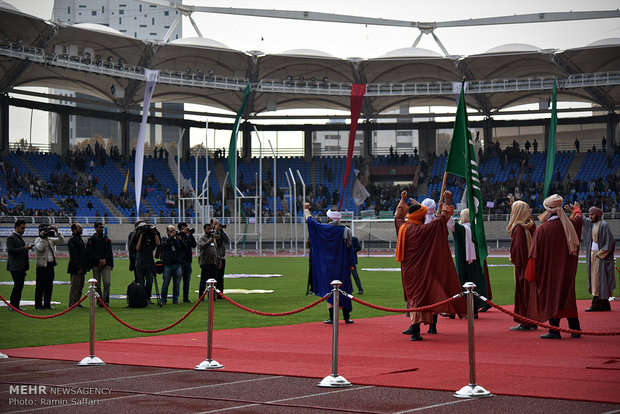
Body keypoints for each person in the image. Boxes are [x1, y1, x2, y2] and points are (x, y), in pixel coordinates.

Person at [395, 190, 466, 341]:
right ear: (420, 217)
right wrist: (447, 200)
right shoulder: (424, 230)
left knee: (414, 299)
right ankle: (415, 331)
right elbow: (442, 220)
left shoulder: (403, 228)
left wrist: (403, 201)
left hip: (407, 271)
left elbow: (398, 216)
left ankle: (416, 327)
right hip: (421, 271)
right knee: (420, 298)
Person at [525, 195, 582, 339]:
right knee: (568, 297)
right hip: (567, 273)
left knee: (552, 298)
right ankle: (575, 329)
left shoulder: (543, 229)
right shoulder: (571, 224)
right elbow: (578, 219)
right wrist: (576, 209)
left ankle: (554, 330)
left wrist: (531, 274)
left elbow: (533, 256)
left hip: (549, 274)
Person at [304, 204, 355, 324]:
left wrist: (307, 210)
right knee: (345, 288)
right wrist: (352, 264)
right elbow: (350, 250)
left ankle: (332, 318)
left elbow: (311, 222)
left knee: (330, 289)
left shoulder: (324, 229)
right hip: (342, 266)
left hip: (328, 267)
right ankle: (346, 317)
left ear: (329, 219)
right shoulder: (346, 231)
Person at [452, 208, 489, 319]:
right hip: (477, 261)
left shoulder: (462, 229)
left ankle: (466, 310)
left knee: (465, 283)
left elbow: (450, 223)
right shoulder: (476, 228)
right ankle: (475, 309)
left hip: (465, 262)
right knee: (476, 283)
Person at [506, 199, 537, 330]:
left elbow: (517, 253)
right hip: (531, 263)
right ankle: (532, 320)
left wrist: (512, 257)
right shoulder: (530, 224)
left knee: (522, 293)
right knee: (530, 293)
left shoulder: (518, 228)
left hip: (522, 266)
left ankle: (525, 321)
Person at [582, 206, 615, 311]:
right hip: (593, 255)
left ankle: (597, 303)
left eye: (592, 214)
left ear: (598, 214)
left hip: (599, 256)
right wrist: (575, 211)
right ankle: (604, 304)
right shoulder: (593, 224)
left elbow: (610, 242)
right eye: (589, 214)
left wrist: (600, 254)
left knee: (598, 280)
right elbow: (584, 220)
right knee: (596, 279)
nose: (590, 216)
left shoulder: (603, 225)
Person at [33, 224, 64, 310]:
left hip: (50, 265)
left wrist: (57, 231)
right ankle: (38, 305)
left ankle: (47, 304)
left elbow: (61, 240)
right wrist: (43, 238)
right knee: (40, 286)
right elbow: (39, 248)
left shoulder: (50, 240)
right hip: (42, 266)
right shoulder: (37, 240)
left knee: (49, 286)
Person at [129, 221, 160, 304]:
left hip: (149, 261)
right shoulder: (136, 236)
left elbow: (158, 243)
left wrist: (155, 233)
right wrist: (141, 235)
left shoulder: (151, 235)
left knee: (150, 281)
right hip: (140, 261)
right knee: (141, 281)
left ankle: (148, 298)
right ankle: (142, 299)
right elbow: (137, 248)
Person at [6, 219, 32, 311]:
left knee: (19, 286)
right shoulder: (11, 237)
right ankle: (12, 305)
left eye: (24, 228)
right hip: (15, 266)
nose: (23, 230)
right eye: (22, 228)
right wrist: (24, 249)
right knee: (17, 286)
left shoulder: (18, 237)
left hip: (20, 266)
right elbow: (11, 250)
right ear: (16, 227)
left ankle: (15, 305)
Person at [87, 222, 113, 307]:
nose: (101, 229)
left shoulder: (107, 239)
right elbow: (90, 252)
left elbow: (109, 252)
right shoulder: (91, 240)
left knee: (107, 283)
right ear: (95, 228)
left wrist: (105, 260)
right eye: (99, 227)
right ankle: (99, 301)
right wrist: (99, 260)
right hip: (96, 264)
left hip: (106, 264)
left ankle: (105, 301)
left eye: (102, 227)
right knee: (97, 285)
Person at [159, 225, 185, 304]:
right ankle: (163, 299)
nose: (173, 233)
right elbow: (164, 247)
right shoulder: (164, 239)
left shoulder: (176, 240)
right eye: (171, 231)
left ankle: (175, 299)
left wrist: (180, 240)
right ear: (167, 232)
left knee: (177, 283)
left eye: (174, 231)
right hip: (168, 264)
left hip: (177, 264)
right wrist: (170, 238)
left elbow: (184, 248)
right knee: (166, 283)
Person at [67, 222, 89, 307]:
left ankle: (77, 302)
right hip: (76, 267)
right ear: (74, 230)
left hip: (82, 267)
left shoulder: (79, 239)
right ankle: (72, 303)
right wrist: (78, 267)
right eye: (80, 228)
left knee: (80, 286)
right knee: (75, 286)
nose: (82, 230)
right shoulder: (72, 240)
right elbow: (74, 256)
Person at [197, 222, 220, 300]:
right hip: (206, 263)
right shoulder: (202, 238)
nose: (210, 230)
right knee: (204, 281)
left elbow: (216, 250)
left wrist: (218, 260)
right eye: (208, 229)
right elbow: (201, 247)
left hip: (214, 262)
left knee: (213, 281)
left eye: (211, 229)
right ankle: (201, 297)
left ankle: (212, 297)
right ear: (205, 230)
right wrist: (209, 242)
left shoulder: (214, 239)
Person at [178, 222, 197, 303]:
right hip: (180, 262)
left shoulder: (188, 236)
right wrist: (182, 235)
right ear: (180, 229)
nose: (185, 230)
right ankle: (175, 299)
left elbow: (194, 245)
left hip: (188, 261)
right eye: (183, 228)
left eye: (186, 228)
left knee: (187, 281)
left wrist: (191, 235)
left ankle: (186, 298)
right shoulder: (178, 236)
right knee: (177, 281)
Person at [211, 218, 230, 298]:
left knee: (220, 277)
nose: (217, 226)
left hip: (221, 257)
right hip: (214, 258)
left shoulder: (220, 232)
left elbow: (227, 240)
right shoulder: (210, 232)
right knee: (213, 277)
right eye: (215, 224)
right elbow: (212, 239)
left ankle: (220, 294)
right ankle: (212, 294)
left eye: (218, 224)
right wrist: (215, 230)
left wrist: (221, 231)